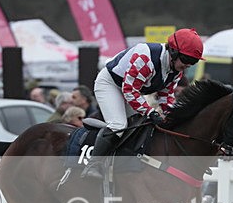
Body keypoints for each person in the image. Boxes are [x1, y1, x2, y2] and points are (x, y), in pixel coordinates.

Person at [81, 28, 204, 180]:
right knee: (118, 125)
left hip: (130, 90)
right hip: (110, 84)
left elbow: (166, 97)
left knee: (141, 126)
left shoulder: (176, 71)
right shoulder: (146, 58)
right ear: (173, 52)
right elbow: (129, 91)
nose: (189, 65)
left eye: (193, 62)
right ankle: (93, 164)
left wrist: (172, 117)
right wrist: (151, 112)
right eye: (187, 59)